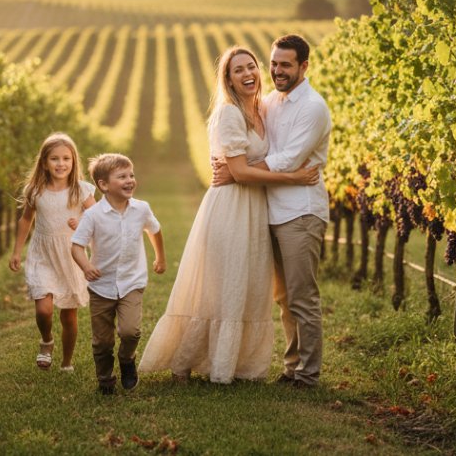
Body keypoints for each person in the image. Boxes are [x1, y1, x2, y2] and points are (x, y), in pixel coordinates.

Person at [139, 47, 320, 384]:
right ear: (228, 79)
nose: (247, 73)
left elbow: (243, 167)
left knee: (244, 285)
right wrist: (290, 177)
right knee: (219, 286)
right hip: (231, 208)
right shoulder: (229, 114)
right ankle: (184, 362)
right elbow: (238, 170)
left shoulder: (262, 111)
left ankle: (232, 363)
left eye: (251, 66)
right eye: (238, 70)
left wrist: (241, 171)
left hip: (255, 209)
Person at [213, 34, 331, 388]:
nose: (277, 71)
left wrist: (237, 176)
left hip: (301, 211)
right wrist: (227, 164)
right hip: (270, 210)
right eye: (274, 64)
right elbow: (241, 139)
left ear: (304, 66)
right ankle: (291, 366)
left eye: (286, 65)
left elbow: (289, 159)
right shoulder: (269, 102)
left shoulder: (313, 107)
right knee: (282, 298)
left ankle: (308, 375)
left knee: (302, 296)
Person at [70, 153, 166, 395]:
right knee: (102, 341)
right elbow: (76, 246)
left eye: (131, 175)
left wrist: (160, 257)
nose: (130, 180)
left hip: (132, 282)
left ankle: (126, 359)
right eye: (121, 176)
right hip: (101, 286)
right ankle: (104, 378)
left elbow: (155, 230)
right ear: (103, 185)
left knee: (130, 331)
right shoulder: (92, 215)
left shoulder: (141, 209)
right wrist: (86, 266)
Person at [9, 132, 95, 371]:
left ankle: (67, 362)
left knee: (69, 316)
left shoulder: (81, 190)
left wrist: (83, 224)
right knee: (44, 309)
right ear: (44, 163)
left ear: (73, 161)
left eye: (66, 158)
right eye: (54, 159)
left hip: (71, 256)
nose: (61, 164)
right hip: (43, 254)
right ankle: (46, 340)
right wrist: (17, 252)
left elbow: (97, 217)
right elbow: (26, 220)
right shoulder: (35, 191)